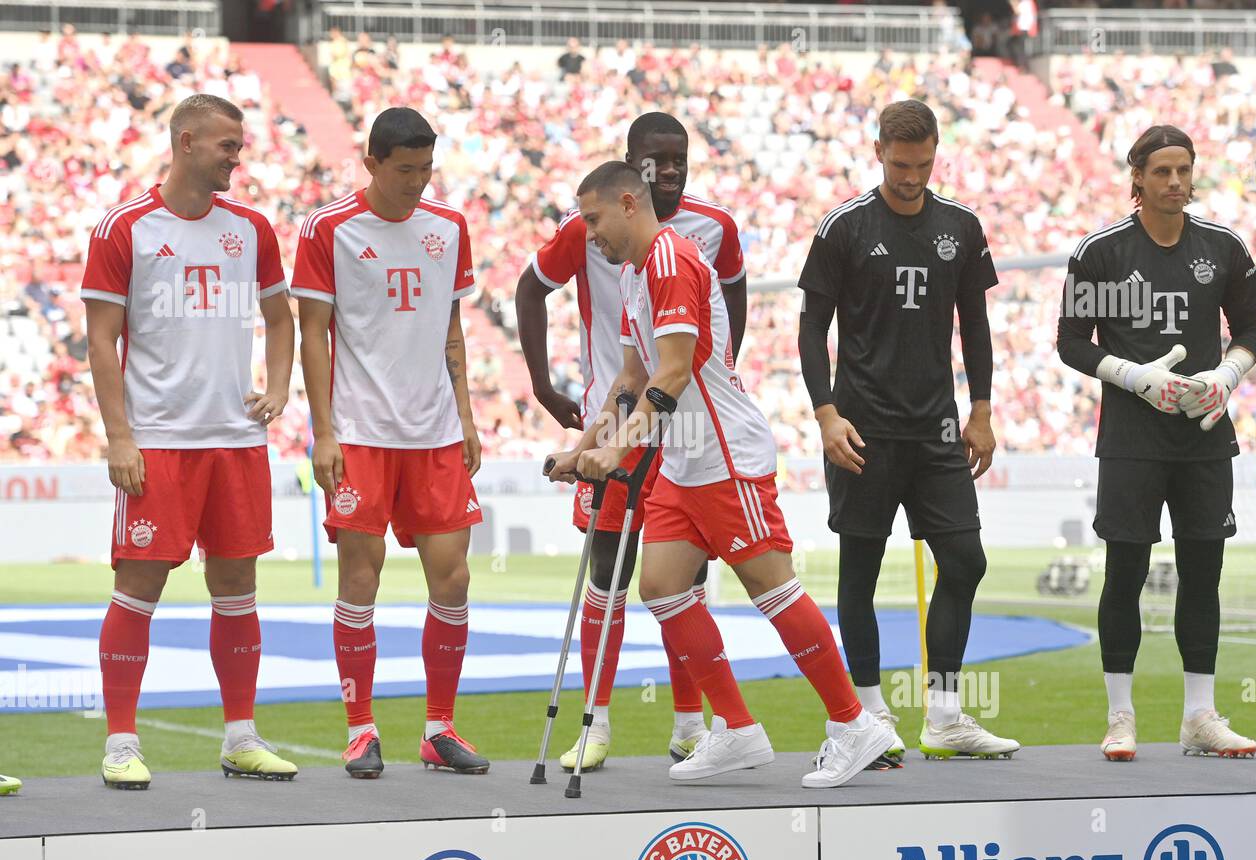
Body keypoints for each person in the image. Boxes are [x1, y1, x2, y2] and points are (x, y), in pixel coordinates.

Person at [546, 161, 895, 788]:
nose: (587, 233)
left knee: (771, 586)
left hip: (726, 457)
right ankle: (736, 727)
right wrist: (583, 448)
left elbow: (673, 372)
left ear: (629, 204)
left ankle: (854, 722)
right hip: (683, 459)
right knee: (660, 584)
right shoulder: (630, 274)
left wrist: (618, 449)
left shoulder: (672, 262)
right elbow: (629, 380)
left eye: (593, 219)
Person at [516, 112, 747, 771]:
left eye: (678, 158)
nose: (668, 169)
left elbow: (732, 300)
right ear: (631, 168)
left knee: (684, 579)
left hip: (690, 427)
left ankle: (689, 724)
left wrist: (719, 372)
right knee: (607, 573)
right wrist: (542, 386)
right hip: (617, 419)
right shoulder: (592, 226)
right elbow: (530, 290)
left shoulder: (715, 227)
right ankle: (597, 723)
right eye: (654, 160)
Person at [81, 93, 297, 790]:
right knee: (138, 584)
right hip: (160, 441)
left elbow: (281, 317)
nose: (239, 156)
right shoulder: (126, 228)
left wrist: (281, 384)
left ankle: (240, 737)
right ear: (185, 142)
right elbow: (101, 339)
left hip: (236, 439)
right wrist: (121, 437)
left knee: (237, 585)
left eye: (239, 145)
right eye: (228, 145)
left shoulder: (252, 229)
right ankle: (120, 743)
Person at [798, 99, 1019, 761]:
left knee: (966, 561)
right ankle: (868, 718)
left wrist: (981, 409)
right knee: (859, 571)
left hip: (937, 431)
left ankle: (946, 716)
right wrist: (826, 412)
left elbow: (973, 325)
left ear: (934, 155)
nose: (910, 178)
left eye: (922, 165)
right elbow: (811, 327)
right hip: (861, 430)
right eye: (899, 165)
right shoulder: (843, 227)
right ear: (878, 153)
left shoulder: (961, 226)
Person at [1057, 125, 1256, 761]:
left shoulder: (1224, 248)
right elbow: (1070, 342)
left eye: (1185, 170)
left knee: (1204, 574)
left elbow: (1249, 334)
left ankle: (1200, 716)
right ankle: (1120, 717)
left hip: (1203, 439)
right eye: (1163, 172)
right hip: (1130, 441)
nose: (1176, 182)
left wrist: (1225, 376)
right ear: (1138, 178)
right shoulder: (1099, 253)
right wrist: (1131, 375)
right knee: (1125, 572)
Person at [293, 107, 489, 779]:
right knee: (360, 579)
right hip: (361, 433)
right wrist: (323, 431)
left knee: (455, 577)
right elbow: (313, 333)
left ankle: (439, 728)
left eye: (427, 170)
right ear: (371, 164)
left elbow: (452, 327)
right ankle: (359, 729)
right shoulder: (328, 229)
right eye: (404, 170)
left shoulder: (449, 227)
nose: (417, 184)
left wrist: (466, 414)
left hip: (434, 431)